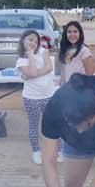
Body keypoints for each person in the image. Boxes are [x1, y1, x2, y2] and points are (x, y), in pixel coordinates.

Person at [16, 29, 58, 165]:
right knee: (34, 125)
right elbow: (33, 71)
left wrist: (30, 75)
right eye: (30, 39)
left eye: (35, 40)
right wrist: (30, 55)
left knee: (52, 123)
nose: (33, 42)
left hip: (48, 94)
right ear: (23, 41)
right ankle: (36, 152)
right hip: (31, 97)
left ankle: (57, 150)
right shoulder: (21, 60)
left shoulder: (43, 51)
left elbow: (49, 67)